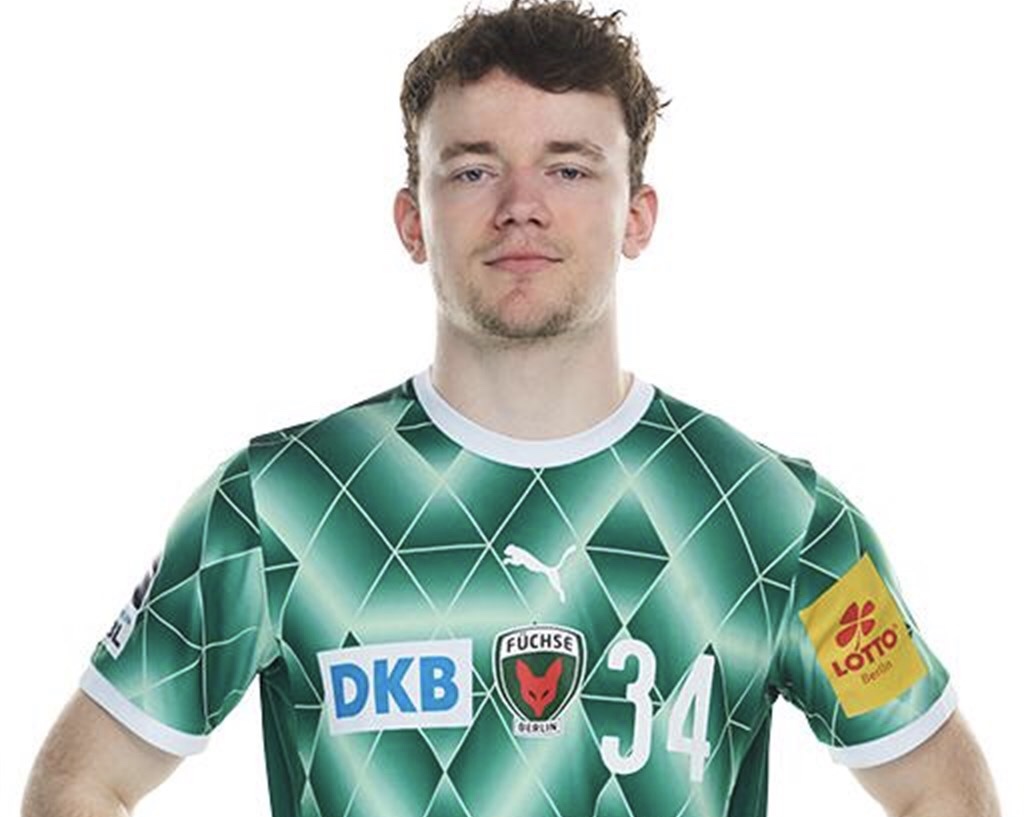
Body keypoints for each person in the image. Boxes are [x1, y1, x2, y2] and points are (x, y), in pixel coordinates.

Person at [23, 1, 1000, 816]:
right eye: (473, 169)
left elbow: (938, 788)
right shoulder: (274, 505)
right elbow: (82, 783)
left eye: (569, 167)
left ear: (637, 216)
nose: (520, 204)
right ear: (412, 220)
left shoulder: (781, 518)